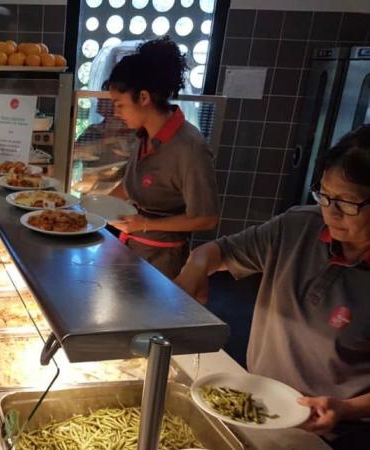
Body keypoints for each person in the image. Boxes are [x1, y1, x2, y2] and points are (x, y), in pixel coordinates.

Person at [175, 125, 370, 450]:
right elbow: (219, 252)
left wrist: (346, 409)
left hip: (333, 431)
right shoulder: (298, 227)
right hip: (256, 403)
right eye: (324, 195)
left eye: (348, 203)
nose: (331, 213)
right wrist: (196, 265)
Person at [104, 37, 219, 279]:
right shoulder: (145, 135)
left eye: (120, 105)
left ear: (144, 98)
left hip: (161, 263)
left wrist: (144, 224)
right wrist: (86, 209)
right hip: (130, 250)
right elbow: (129, 186)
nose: (116, 112)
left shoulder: (190, 148)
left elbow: (206, 218)